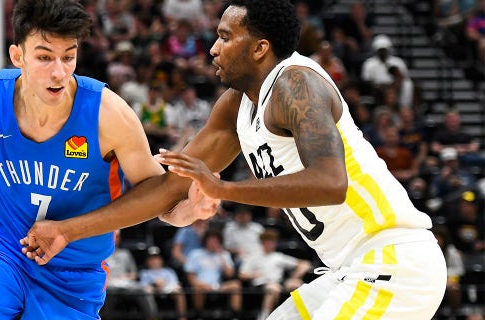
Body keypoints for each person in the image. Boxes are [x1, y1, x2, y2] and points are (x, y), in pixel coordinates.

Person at [22, 0, 447, 319]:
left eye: (226, 37)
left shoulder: (296, 85)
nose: (212, 48)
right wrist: (67, 229)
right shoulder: (235, 108)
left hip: (393, 261)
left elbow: (330, 183)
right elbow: (167, 192)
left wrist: (223, 188)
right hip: (345, 268)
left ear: (260, 47)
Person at [0, 1, 216, 319]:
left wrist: (190, 209)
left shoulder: (107, 114)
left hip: (74, 274)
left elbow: (159, 199)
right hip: (1, 251)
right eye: (44, 57)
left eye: (68, 57)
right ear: (17, 55)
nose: (59, 72)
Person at [239, 229, 312, 320]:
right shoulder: (253, 256)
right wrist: (255, 275)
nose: (271, 244)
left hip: (279, 283)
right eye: (268, 241)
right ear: (263, 242)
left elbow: (304, 264)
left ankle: (300, 314)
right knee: (273, 288)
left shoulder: (278, 256)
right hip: (260, 284)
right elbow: (242, 274)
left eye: (273, 241)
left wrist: (296, 275)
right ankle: (264, 316)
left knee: (297, 284)